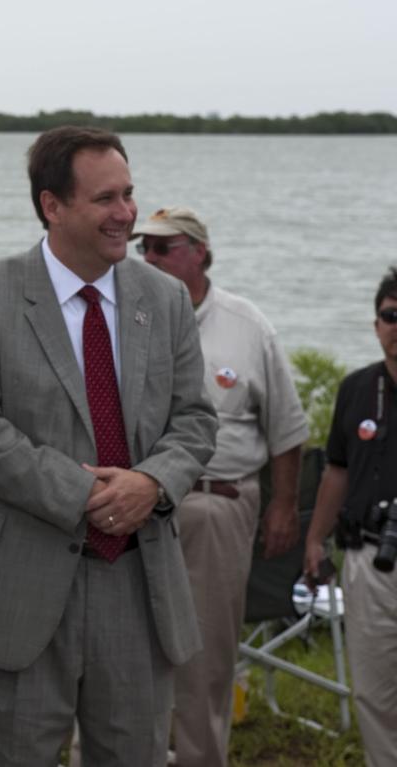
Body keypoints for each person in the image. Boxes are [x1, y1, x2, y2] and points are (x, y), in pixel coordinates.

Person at [0, 125, 217, 766]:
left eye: (129, 194)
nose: (127, 215)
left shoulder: (165, 299)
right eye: (106, 199)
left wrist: (152, 484)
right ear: (52, 205)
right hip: (14, 591)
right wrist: (88, 492)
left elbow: (195, 420)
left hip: (137, 589)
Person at [133, 206, 308, 767]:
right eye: (146, 249)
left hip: (218, 503)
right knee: (120, 652)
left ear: (200, 252)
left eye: (164, 247)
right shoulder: (125, 315)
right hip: (133, 507)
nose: (151, 258)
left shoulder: (246, 324)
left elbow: (287, 429)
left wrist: (283, 506)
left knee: (205, 661)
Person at [304, 266, 397, 767]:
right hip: (368, 559)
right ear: (376, 323)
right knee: (375, 691)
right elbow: (336, 471)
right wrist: (315, 541)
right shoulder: (358, 388)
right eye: (391, 315)